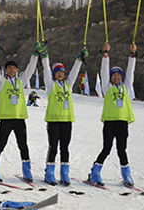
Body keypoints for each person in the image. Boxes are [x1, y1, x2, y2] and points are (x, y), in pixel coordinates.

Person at [0, 41, 40, 182]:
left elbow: (30, 69)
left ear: (16, 70)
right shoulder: (1, 82)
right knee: (1, 143)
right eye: (9, 68)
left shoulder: (21, 81)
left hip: (19, 118)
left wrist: (35, 55)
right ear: (5, 70)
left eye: (14, 68)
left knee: (23, 145)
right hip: (5, 118)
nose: (11, 70)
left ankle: (27, 170)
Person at [89, 43, 137, 187]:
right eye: (114, 75)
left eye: (118, 75)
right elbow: (104, 72)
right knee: (107, 148)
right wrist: (105, 55)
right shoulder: (107, 87)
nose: (116, 77)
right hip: (109, 122)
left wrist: (132, 55)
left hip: (122, 122)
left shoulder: (126, 87)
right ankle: (95, 172)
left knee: (122, 149)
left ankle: (126, 174)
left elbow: (130, 72)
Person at [40, 47, 87, 185]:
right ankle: (49, 173)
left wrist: (79, 60)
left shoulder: (68, 85)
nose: (60, 74)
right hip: (54, 121)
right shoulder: (51, 85)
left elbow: (74, 72)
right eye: (57, 72)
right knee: (53, 147)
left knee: (65, 147)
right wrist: (45, 57)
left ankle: (64, 173)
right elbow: (47, 71)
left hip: (67, 121)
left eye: (62, 72)